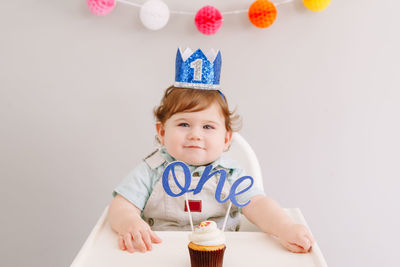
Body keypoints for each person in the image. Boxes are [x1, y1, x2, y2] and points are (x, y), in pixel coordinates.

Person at [107, 48, 314, 255]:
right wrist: (129, 222)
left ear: (226, 139)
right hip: (160, 251)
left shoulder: (231, 174)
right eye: (184, 124)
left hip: (223, 252)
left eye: (208, 127)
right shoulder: (151, 170)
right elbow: (120, 207)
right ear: (162, 132)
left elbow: (258, 205)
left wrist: (285, 227)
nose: (195, 135)